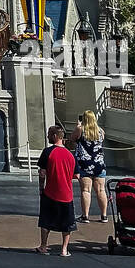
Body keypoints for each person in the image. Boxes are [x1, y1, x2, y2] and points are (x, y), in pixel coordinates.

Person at [37, 125, 77, 256]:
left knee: (46, 220)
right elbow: (76, 175)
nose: (48, 136)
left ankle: (43, 246)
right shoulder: (70, 155)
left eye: (49, 134)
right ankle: (64, 249)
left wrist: (41, 188)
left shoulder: (48, 152)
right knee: (67, 223)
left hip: (50, 192)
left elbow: (42, 173)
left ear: (54, 136)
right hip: (67, 194)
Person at [72, 110, 107, 222]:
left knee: (86, 190)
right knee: (101, 190)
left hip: (84, 163)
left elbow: (73, 139)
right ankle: (104, 215)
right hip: (99, 163)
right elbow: (102, 141)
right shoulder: (101, 131)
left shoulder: (81, 129)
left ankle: (85, 216)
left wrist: (78, 126)